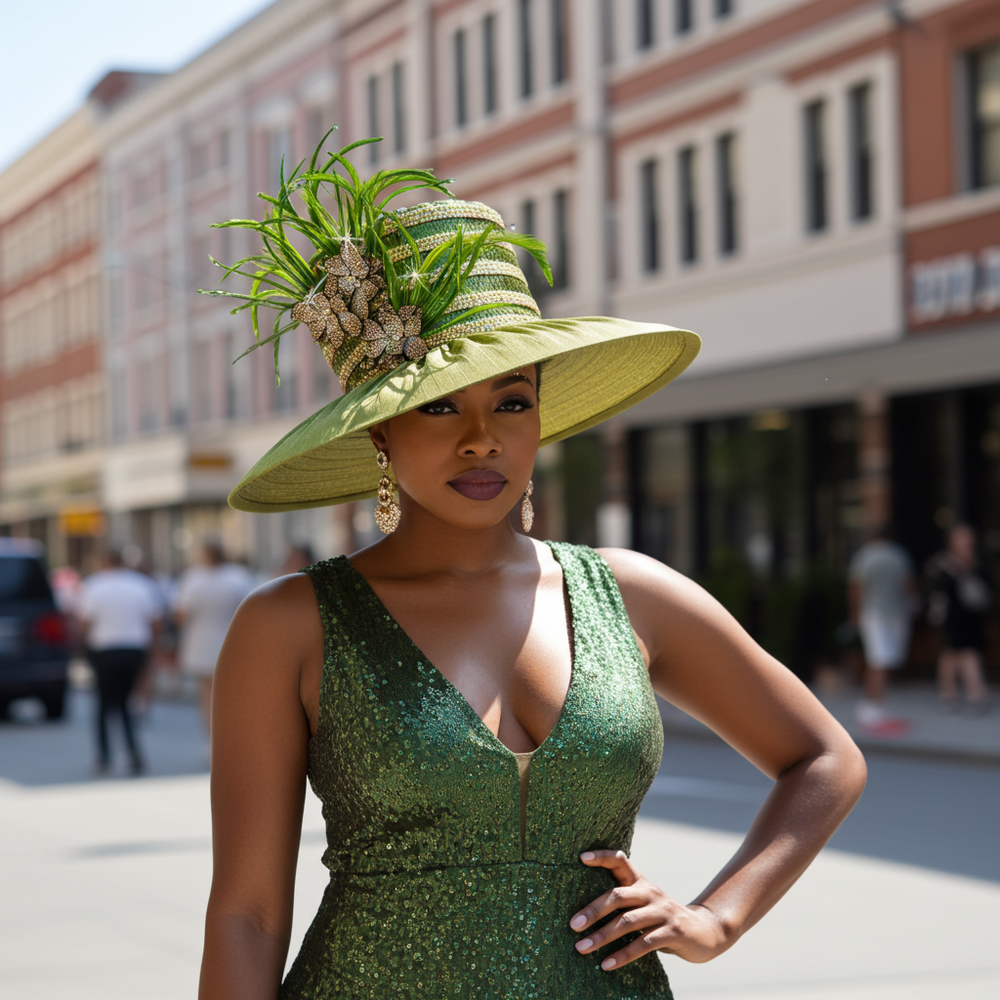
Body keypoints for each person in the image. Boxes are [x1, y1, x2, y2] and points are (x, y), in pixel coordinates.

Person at [198, 141, 866, 999]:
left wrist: (718, 918)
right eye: (438, 406)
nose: (482, 437)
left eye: (511, 401)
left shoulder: (633, 596)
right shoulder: (288, 624)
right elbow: (246, 913)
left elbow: (822, 758)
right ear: (378, 432)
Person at [78, 549, 162, 775]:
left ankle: (104, 756)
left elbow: (85, 622)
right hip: (133, 649)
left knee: (103, 705)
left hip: (105, 649)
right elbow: (154, 621)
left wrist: (83, 647)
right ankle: (133, 753)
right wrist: (150, 649)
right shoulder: (141, 584)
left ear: (104, 561)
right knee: (126, 703)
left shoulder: (94, 585)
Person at [175, 540, 256, 736]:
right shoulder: (238, 576)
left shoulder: (193, 578)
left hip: (202, 642)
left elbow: (181, 616)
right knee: (233, 693)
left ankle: (212, 738)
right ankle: (233, 734)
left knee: (207, 695)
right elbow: (252, 609)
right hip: (233, 640)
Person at [847, 527, 917, 736]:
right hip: (895, 613)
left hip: (873, 613)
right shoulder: (898, 554)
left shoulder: (864, 556)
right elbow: (908, 584)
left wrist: (855, 613)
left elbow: (855, 587)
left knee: (878, 660)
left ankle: (874, 706)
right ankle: (871, 708)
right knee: (882, 661)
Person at [929, 524, 992, 713]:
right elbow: (936, 592)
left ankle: (953, 694)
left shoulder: (978, 561)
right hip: (952, 617)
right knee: (959, 653)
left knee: (955, 655)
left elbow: (987, 587)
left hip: (972, 617)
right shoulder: (943, 564)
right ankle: (973, 694)